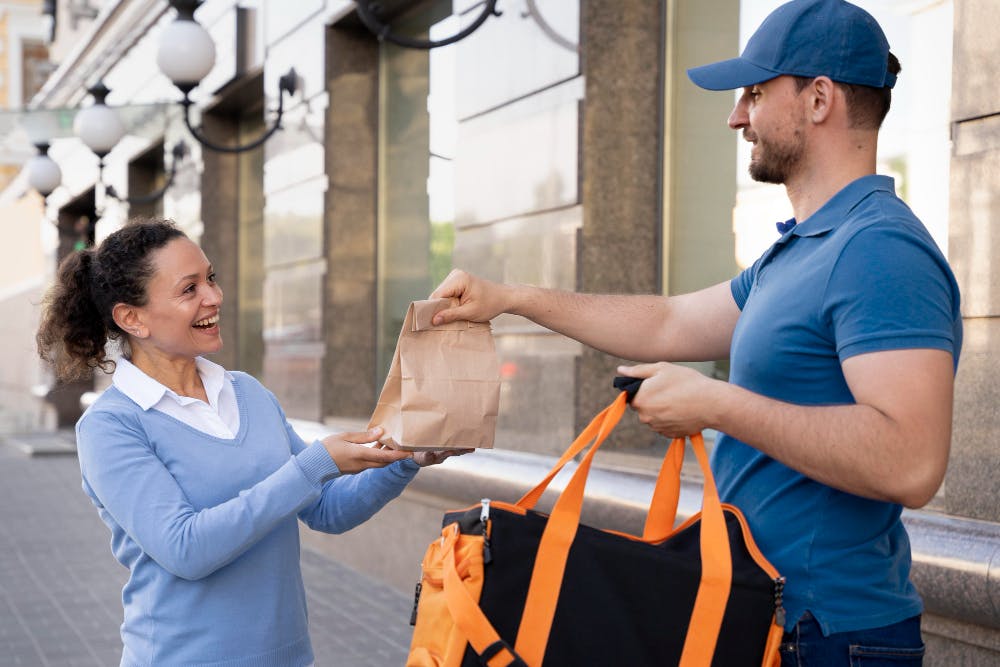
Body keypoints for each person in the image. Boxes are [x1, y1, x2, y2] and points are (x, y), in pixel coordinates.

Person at [429, 0, 961, 664]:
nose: (737, 115)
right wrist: (510, 297)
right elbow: (669, 321)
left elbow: (911, 462)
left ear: (819, 99)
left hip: (832, 636)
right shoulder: (797, 253)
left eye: (756, 93)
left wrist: (714, 405)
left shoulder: (879, 249)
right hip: (774, 625)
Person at [36, 219, 466, 667]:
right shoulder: (111, 427)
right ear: (132, 318)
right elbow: (186, 549)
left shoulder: (247, 393)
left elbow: (327, 509)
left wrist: (405, 461)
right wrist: (312, 466)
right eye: (189, 289)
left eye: (211, 278)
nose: (214, 297)